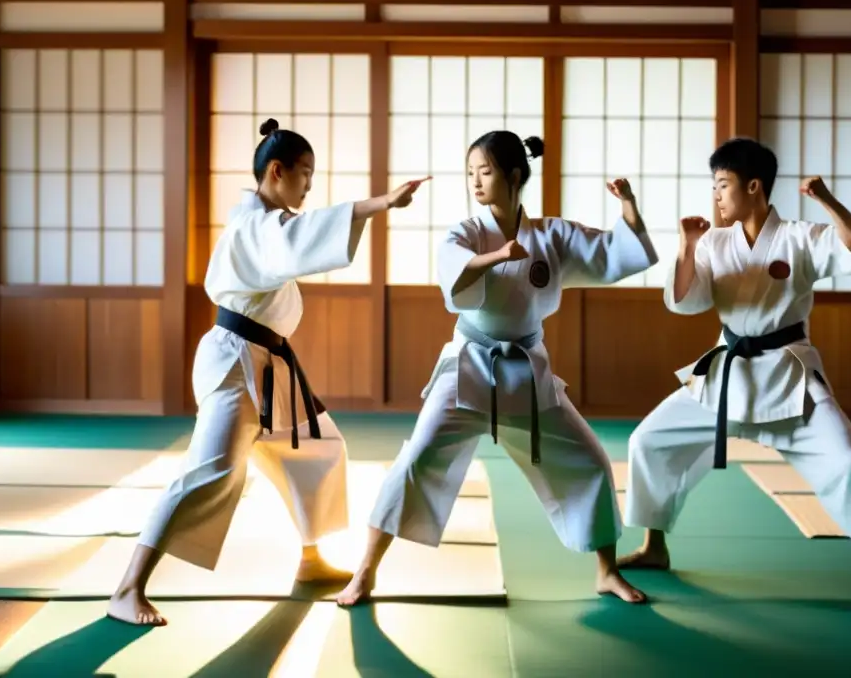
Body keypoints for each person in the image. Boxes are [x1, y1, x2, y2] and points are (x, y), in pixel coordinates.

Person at [107, 118, 429, 626]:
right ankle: (128, 587)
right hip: (236, 364)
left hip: (266, 365)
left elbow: (298, 242)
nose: (307, 185)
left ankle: (310, 559)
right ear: (276, 171)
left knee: (317, 449)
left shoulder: (264, 224)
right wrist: (379, 204)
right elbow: (301, 238)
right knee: (208, 473)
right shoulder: (255, 227)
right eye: (304, 173)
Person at [335, 131, 658, 607]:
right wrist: (497, 257)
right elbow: (454, 270)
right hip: (468, 367)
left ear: (514, 175)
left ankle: (606, 571)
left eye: (484, 172)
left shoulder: (552, 235)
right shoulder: (466, 231)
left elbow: (613, 253)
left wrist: (629, 208)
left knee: (589, 460)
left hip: (527, 373)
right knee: (418, 457)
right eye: (470, 173)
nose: (475, 182)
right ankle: (365, 571)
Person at [618, 137, 851, 607]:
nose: (717, 196)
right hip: (726, 374)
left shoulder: (800, 236)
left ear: (755, 186)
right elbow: (687, 302)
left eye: (723, 185)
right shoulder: (714, 242)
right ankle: (654, 546)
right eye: (715, 186)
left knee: (849, 463)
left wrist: (826, 200)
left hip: (789, 376)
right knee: (648, 440)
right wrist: (687, 247)